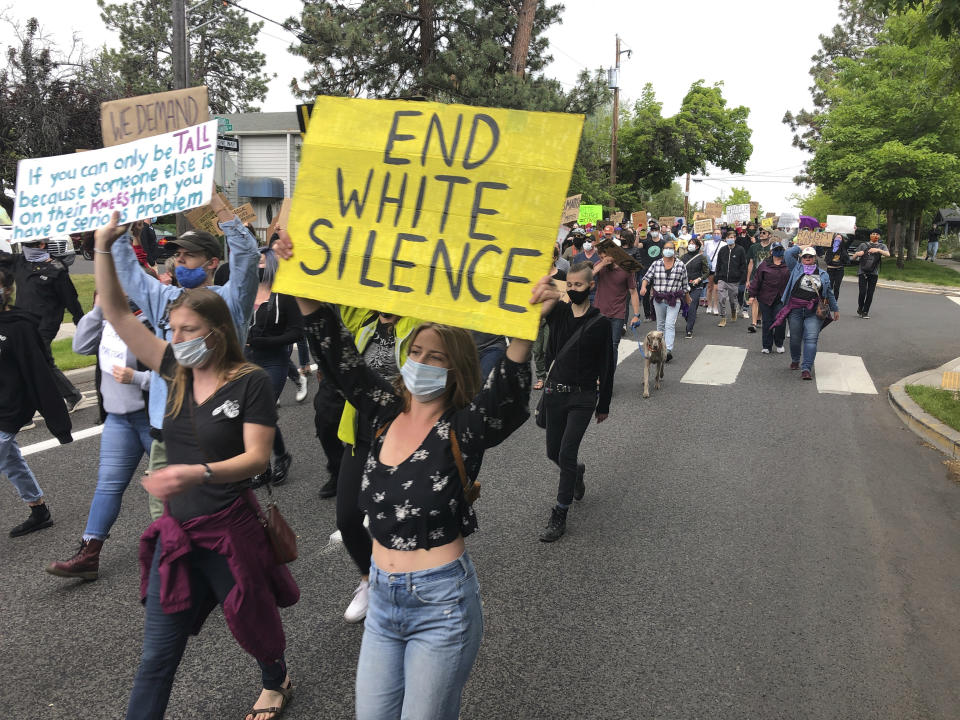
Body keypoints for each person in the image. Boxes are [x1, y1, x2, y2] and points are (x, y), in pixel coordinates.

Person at [272, 230, 549, 720]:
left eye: (435, 357)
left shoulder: (464, 427)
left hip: (441, 604)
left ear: (456, 369)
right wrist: (301, 276)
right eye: (416, 352)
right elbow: (340, 358)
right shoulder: (383, 412)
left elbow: (506, 391)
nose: (420, 362)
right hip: (382, 598)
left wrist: (526, 326)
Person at [94, 212, 298, 720]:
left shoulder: (249, 381)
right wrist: (102, 248)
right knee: (157, 657)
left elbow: (254, 458)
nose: (176, 335)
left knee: (252, 624)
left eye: (189, 329)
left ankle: (276, 679)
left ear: (218, 331)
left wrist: (196, 473)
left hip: (231, 531)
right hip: (177, 535)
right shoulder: (174, 367)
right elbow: (119, 314)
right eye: (172, 327)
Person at [110, 187, 259, 521]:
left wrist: (220, 207)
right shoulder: (164, 298)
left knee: (218, 517)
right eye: (177, 257)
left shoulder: (231, 301)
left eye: (188, 256)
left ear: (212, 263)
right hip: (167, 433)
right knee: (164, 522)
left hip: (217, 430)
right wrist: (120, 229)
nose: (179, 262)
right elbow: (128, 273)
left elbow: (247, 258)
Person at [46, 293, 153, 579]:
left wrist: (138, 378)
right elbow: (81, 346)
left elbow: (179, 372)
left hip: (155, 420)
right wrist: (97, 310)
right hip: (119, 419)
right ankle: (89, 555)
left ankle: (217, 548)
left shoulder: (154, 321)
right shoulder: (107, 322)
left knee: (183, 488)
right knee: (108, 485)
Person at [335, 306, 421, 623]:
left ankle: (404, 588)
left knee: (399, 523)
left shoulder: (417, 324)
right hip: (360, 437)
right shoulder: (364, 322)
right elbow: (339, 296)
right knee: (347, 518)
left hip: (400, 441)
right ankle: (369, 579)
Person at [539, 261, 613, 542]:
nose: (573, 289)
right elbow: (542, 305)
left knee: (566, 453)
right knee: (553, 453)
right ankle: (577, 473)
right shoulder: (558, 312)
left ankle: (560, 512)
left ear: (590, 287)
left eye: (578, 285)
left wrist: (603, 403)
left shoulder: (600, 323)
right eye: (569, 285)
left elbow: (607, 365)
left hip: (582, 396)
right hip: (555, 393)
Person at [0, 256, 72, 537]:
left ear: (7, 291)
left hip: (11, 407)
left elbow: (40, 376)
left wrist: (59, 425)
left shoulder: (20, 327)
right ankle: (38, 509)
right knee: (10, 459)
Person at [3, 238, 85, 410]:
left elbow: (71, 299)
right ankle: (72, 395)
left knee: (32, 360)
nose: (25, 249)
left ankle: (23, 411)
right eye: (24, 246)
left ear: (42, 245)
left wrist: (81, 323)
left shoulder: (56, 269)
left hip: (45, 323)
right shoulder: (20, 262)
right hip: (23, 323)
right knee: (39, 362)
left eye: (29, 246)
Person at [244, 248, 301, 485]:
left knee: (261, 412)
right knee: (249, 414)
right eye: (254, 260)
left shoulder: (284, 295)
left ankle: (275, 459)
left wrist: (266, 341)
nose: (257, 265)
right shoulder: (245, 292)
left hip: (273, 361)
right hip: (246, 359)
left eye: (261, 261)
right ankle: (266, 464)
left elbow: (297, 331)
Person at [773, 246, 839, 380]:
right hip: (795, 310)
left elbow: (829, 293)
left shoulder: (823, 274)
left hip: (814, 312)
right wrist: (800, 247)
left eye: (810, 256)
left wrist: (835, 308)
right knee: (795, 339)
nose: (807, 258)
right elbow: (787, 254)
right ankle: (795, 359)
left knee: (811, 339)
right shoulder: (796, 268)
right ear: (801, 258)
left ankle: (806, 368)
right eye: (805, 256)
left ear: (815, 258)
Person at [639, 240, 691, 361]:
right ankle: (658, 348)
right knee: (660, 325)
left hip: (674, 299)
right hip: (659, 299)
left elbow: (685, 283)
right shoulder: (656, 264)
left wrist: (687, 296)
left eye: (671, 248)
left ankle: (667, 351)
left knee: (670, 324)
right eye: (666, 248)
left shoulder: (680, 265)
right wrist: (643, 287)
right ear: (662, 251)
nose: (668, 250)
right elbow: (647, 277)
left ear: (674, 250)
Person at [593, 244, 641, 355]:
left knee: (613, 346)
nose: (603, 260)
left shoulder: (627, 269)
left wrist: (636, 315)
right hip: (599, 312)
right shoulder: (599, 266)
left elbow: (633, 292)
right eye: (600, 257)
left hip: (618, 313)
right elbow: (586, 279)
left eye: (605, 257)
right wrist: (602, 264)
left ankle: (610, 372)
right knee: (598, 344)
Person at [747, 243, 790, 354]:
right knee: (767, 322)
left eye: (780, 249)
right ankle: (767, 346)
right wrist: (752, 295)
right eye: (776, 249)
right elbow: (757, 281)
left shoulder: (788, 264)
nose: (778, 251)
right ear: (771, 251)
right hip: (765, 298)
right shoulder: (764, 265)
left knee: (780, 322)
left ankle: (779, 343)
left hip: (781, 298)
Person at [851, 231, 890, 318]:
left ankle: (865, 311)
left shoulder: (882, 246)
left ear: (879, 236)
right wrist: (857, 254)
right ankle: (860, 307)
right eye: (873, 234)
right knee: (862, 292)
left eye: (877, 234)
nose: (874, 236)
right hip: (862, 272)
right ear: (870, 235)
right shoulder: (863, 245)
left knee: (870, 293)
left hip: (874, 273)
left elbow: (888, 254)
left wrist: (878, 250)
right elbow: (853, 258)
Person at [714, 231, 747, 327]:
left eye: (732, 237)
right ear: (726, 238)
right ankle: (723, 317)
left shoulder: (740, 250)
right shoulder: (722, 250)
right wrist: (717, 276)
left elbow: (743, 265)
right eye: (728, 237)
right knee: (722, 298)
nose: (730, 239)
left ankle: (733, 310)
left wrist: (742, 277)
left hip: (734, 280)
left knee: (733, 300)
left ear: (735, 238)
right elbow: (718, 263)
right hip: (722, 278)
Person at [745, 227, 775, 333]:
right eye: (760, 232)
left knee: (763, 300)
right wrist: (748, 280)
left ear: (769, 235)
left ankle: (758, 318)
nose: (761, 234)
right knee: (755, 300)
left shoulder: (773, 248)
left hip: (768, 278)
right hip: (755, 277)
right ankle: (753, 323)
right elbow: (751, 263)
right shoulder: (754, 247)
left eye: (764, 233)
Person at [680, 237, 709, 339]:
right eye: (689, 243)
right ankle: (690, 319)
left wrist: (699, 279)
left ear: (697, 246)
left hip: (696, 286)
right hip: (684, 286)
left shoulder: (701, 257)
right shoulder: (683, 257)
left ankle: (689, 330)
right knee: (685, 309)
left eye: (693, 244)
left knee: (692, 305)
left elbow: (707, 272)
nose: (690, 245)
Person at [823, 233, 849, 301]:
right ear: (834, 239)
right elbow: (824, 241)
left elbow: (851, 240)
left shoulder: (843, 247)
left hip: (839, 270)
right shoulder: (830, 247)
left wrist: (853, 231)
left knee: (836, 287)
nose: (838, 239)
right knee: (829, 286)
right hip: (830, 270)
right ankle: (827, 301)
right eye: (836, 238)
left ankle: (834, 302)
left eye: (840, 238)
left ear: (842, 240)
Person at [701, 231, 722, 314]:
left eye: (718, 233)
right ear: (712, 235)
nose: (716, 235)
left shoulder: (723, 244)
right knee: (709, 287)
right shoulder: (707, 243)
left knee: (716, 289)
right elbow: (700, 248)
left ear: (721, 235)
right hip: (710, 268)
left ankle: (716, 306)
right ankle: (709, 305)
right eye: (715, 233)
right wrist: (701, 235)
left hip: (719, 268)